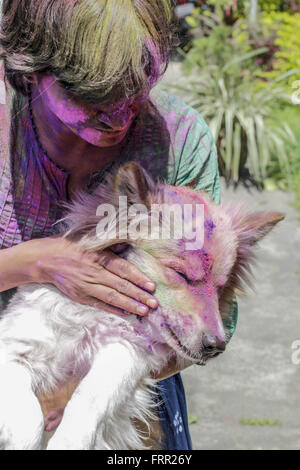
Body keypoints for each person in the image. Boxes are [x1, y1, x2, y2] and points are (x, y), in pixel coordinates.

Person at [0, 0, 237, 449]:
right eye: (89, 96)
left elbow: (213, 313)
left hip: (121, 391)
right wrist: (28, 263)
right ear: (31, 70)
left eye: (136, 88)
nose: (118, 114)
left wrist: (76, 404)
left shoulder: (180, 138)